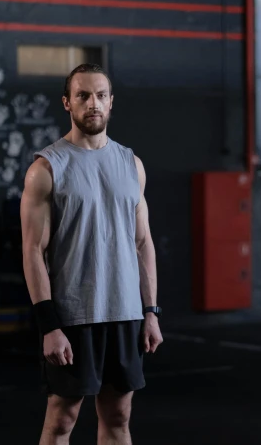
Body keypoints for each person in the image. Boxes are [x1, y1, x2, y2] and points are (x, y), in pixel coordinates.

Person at [20, 63, 163, 445]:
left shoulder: (132, 165)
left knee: (118, 418)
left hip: (126, 312)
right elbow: (33, 251)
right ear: (67, 103)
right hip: (74, 315)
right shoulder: (46, 168)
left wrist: (150, 312)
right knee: (62, 422)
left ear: (111, 102)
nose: (92, 103)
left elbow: (142, 242)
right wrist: (49, 325)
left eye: (100, 95)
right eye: (83, 95)